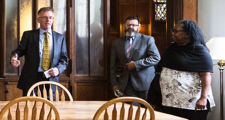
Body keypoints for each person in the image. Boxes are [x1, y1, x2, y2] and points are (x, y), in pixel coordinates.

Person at [149, 20, 215, 120]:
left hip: (191, 103)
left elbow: (206, 75)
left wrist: (203, 98)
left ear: (187, 34)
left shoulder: (200, 51)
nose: (172, 33)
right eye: (173, 30)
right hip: (169, 100)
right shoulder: (171, 49)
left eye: (176, 31)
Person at [10, 7, 68, 96]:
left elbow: (64, 60)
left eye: (50, 17)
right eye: (44, 17)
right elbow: (18, 51)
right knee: (30, 108)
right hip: (32, 79)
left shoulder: (60, 38)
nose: (48, 20)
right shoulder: (28, 35)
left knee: (50, 108)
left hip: (51, 80)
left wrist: (58, 69)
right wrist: (14, 57)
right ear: (38, 20)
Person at [110, 16, 160, 101]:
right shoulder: (116, 43)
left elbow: (156, 58)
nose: (131, 27)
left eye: (134, 25)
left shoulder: (147, 40)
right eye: (128, 25)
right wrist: (114, 84)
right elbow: (112, 66)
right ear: (124, 26)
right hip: (126, 84)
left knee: (146, 111)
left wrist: (136, 65)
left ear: (138, 27)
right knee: (131, 111)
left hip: (145, 83)